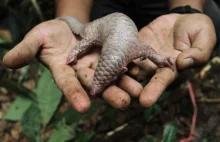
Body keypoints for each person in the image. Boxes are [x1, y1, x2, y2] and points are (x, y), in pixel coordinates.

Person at [2, 0, 217, 113]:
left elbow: (152, 53)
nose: (96, 88)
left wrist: (186, 10)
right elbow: (150, 52)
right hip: (104, 20)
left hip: (155, 8)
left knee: (214, 17)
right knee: (85, 35)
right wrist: (73, 38)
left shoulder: (133, 49)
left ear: (124, 68)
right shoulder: (130, 48)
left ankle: (173, 88)